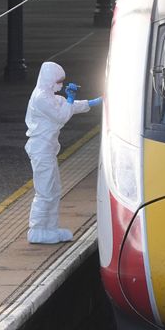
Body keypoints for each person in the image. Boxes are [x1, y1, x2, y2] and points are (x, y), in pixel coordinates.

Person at [24, 61, 102, 244]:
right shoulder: (41, 98)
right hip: (40, 150)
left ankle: (49, 228)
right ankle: (37, 230)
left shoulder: (50, 96)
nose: (61, 84)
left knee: (53, 189)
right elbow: (61, 115)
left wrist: (94, 102)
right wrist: (69, 99)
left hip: (47, 150)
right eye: (59, 80)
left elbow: (70, 107)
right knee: (45, 191)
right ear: (50, 79)